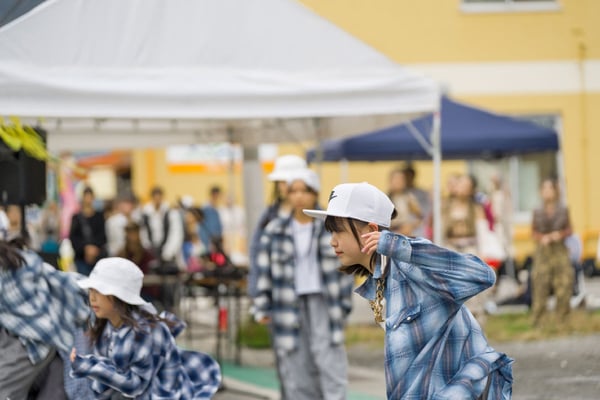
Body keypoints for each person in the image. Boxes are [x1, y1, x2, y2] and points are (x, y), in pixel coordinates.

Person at [303, 182, 513, 400]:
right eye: (331, 232)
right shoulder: (379, 282)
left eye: (339, 231)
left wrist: (399, 246)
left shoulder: (410, 265)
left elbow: (483, 275)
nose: (332, 241)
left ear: (371, 231)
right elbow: (409, 366)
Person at [253, 169, 354, 400]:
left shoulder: (330, 227)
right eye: (293, 191)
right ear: (287, 194)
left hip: (324, 301)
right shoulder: (275, 229)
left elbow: (346, 268)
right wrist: (262, 305)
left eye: (304, 190)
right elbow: (264, 271)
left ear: (315, 193)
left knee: (329, 360)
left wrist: (344, 305)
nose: (299, 196)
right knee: (296, 365)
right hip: (288, 302)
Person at [70, 257, 222, 399]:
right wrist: (90, 367)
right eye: (91, 290)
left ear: (120, 296)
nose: (92, 297)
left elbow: (134, 385)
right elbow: (105, 383)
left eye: (99, 291)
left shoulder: (145, 332)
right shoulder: (107, 327)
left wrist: (90, 367)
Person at [0, 236, 92, 399]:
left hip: (32, 342)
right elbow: (59, 277)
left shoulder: (13, 267)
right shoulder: (23, 259)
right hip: (50, 336)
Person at [248, 154, 307, 299]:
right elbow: (256, 251)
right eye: (280, 182)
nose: (283, 187)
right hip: (278, 291)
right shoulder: (269, 215)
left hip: (309, 290)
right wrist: (256, 290)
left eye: (287, 182)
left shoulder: (314, 215)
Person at [530, 177, 574, 327]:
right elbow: (533, 232)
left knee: (564, 282)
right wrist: (541, 237)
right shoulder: (537, 210)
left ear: (555, 191)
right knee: (540, 283)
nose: (547, 192)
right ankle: (539, 320)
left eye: (550, 188)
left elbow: (569, 229)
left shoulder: (563, 209)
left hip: (559, 249)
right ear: (541, 192)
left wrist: (559, 234)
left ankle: (562, 319)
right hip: (543, 250)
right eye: (545, 189)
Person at [69, 186, 107, 276]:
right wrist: (85, 248)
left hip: (97, 258)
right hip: (81, 258)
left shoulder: (99, 216)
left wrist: (94, 249)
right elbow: (73, 237)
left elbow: (103, 236)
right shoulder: (76, 218)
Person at [387, 166, 423, 237]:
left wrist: (411, 226)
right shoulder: (386, 198)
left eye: (401, 179)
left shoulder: (408, 198)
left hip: (405, 235)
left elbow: (420, 217)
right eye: (395, 179)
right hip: (390, 233)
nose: (398, 182)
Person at [200, 185, 224, 252]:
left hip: (218, 241)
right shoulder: (206, 209)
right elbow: (205, 227)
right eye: (219, 196)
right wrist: (209, 242)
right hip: (211, 242)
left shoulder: (219, 208)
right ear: (215, 195)